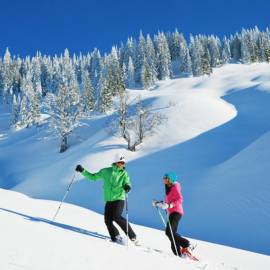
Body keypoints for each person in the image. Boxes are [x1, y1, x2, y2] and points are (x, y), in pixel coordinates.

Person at [75, 153, 137, 244]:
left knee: (116, 216)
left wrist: (127, 187)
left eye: (124, 163)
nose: (123, 164)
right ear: (116, 162)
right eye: (121, 162)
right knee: (107, 220)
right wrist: (82, 171)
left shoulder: (124, 174)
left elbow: (127, 183)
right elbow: (93, 177)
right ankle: (115, 236)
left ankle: (132, 236)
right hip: (109, 200)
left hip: (119, 198)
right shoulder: (105, 171)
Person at [153, 172, 195, 258]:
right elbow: (168, 202)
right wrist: (159, 203)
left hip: (176, 212)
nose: (164, 179)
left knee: (169, 232)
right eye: (163, 178)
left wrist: (169, 205)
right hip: (172, 212)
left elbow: (180, 199)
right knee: (171, 233)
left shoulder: (175, 186)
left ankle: (187, 244)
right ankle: (178, 253)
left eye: (166, 178)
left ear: (170, 179)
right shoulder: (168, 188)